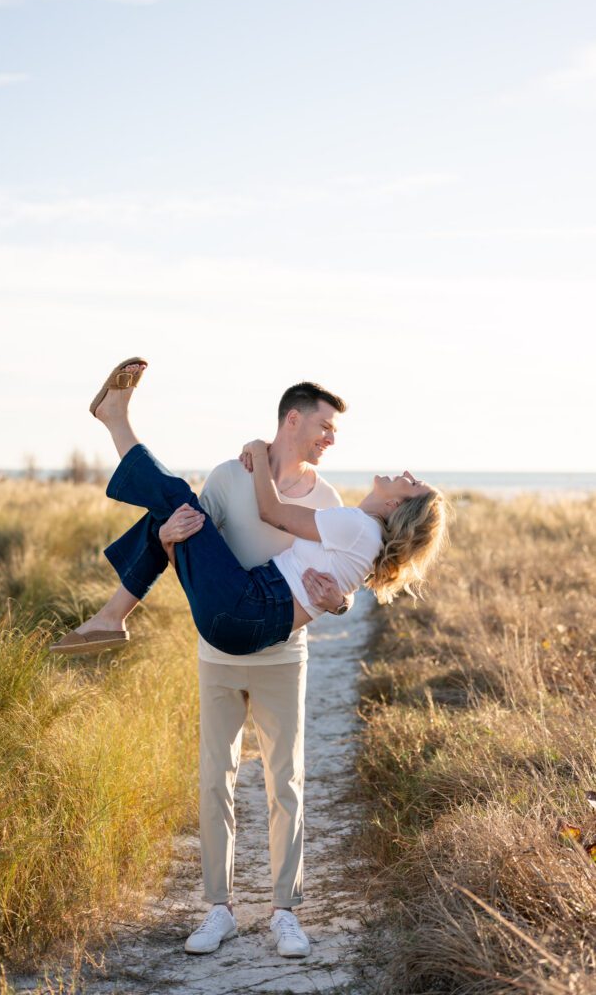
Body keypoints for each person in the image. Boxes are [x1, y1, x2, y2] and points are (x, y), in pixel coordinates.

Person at [51, 359, 447, 954]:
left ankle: (284, 911)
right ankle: (219, 909)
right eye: (326, 426)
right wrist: (166, 537)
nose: (332, 438)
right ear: (294, 419)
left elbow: (329, 576)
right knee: (217, 779)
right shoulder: (230, 475)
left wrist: (337, 604)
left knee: (282, 781)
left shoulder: (332, 501)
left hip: (278, 650)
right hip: (222, 642)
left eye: (335, 431)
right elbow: (192, 534)